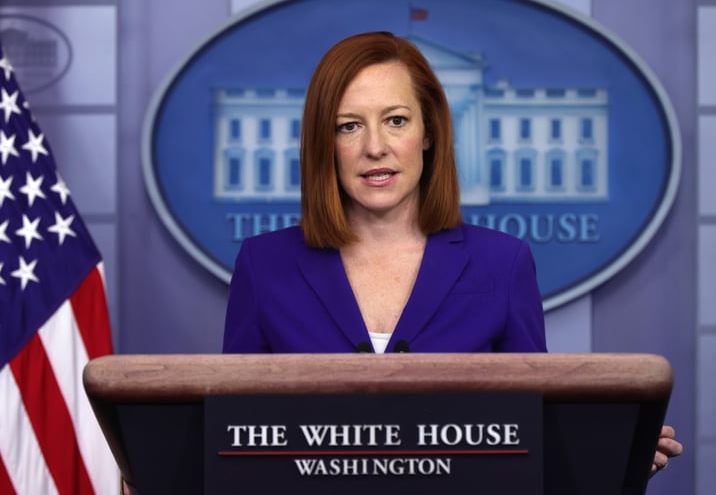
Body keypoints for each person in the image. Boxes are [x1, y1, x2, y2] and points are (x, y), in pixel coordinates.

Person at [222, 31, 681, 474]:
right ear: (326, 144)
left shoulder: (502, 264)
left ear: (428, 133)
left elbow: (536, 434)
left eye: (396, 120)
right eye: (349, 126)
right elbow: (233, 439)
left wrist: (614, 456)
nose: (375, 147)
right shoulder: (264, 266)